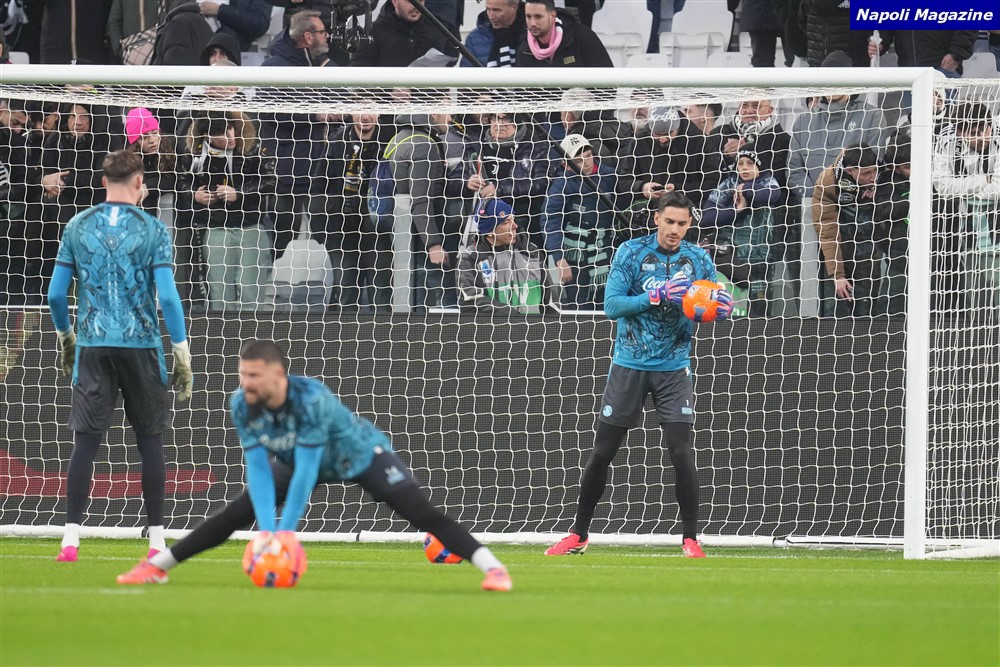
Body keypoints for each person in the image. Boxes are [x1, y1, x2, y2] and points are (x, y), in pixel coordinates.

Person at [116, 339, 513, 592]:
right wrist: (267, 532)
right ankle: (158, 567)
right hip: (297, 459)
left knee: (421, 513)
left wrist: (286, 535)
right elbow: (258, 469)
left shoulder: (311, 400)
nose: (246, 383)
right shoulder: (242, 404)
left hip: (359, 456)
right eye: (243, 375)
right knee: (236, 512)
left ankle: (494, 569)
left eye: (254, 376)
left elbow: (306, 473)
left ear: (278, 375)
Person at [546, 192, 733, 558]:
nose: (674, 229)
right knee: (602, 453)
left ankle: (691, 539)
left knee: (681, 452)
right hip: (629, 364)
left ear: (689, 225)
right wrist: (655, 295)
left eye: (682, 224)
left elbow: (710, 304)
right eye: (669, 221)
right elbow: (612, 306)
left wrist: (720, 309)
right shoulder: (631, 252)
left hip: (674, 368)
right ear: (656, 218)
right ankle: (578, 534)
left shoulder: (699, 259)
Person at [47, 149, 193, 563]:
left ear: (103, 181)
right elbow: (168, 297)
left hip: (93, 344)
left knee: (86, 443)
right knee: (150, 441)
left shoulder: (77, 225)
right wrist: (181, 353)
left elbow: (56, 294)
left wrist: (67, 339)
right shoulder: (152, 228)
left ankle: (70, 539)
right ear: (139, 183)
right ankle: (157, 541)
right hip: (141, 345)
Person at [811, 144, 883, 317]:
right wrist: (838, 275)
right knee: (836, 312)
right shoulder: (828, 181)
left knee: (867, 311)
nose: (872, 177)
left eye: (874, 171)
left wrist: (879, 192)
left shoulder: (884, 169)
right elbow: (827, 230)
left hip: (869, 254)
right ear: (850, 170)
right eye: (866, 173)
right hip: (840, 254)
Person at [457, 198, 550, 313]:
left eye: (513, 219)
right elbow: (469, 301)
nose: (515, 226)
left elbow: (550, 301)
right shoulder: (470, 258)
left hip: (534, 324)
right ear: (489, 232)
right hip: (494, 325)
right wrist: (513, 316)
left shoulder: (532, 252)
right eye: (506, 222)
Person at [516, 0, 613, 68]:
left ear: (552, 16)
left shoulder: (582, 37)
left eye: (538, 17)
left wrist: (582, 91)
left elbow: (608, 82)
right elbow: (522, 90)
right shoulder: (525, 50)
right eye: (528, 17)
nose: (532, 23)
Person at [462, 0, 525, 68]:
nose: (491, 17)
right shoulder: (474, 38)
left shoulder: (529, 35)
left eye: (496, 10)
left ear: (514, 8)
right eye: (488, 9)